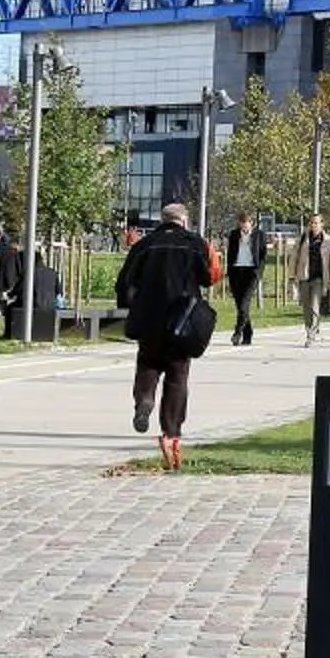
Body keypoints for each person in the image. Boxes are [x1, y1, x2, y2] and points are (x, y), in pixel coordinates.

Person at [115, 201, 219, 472]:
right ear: (184, 221)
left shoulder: (144, 244)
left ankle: (144, 400)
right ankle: (171, 433)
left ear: (163, 220)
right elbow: (208, 277)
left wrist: (132, 304)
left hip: (148, 318)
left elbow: (124, 281)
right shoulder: (194, 243)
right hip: (181, 319)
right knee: (177, 375)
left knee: (148, 363)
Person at [293, 212, 330, 346]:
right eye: (312, 223)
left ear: (322, 224)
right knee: (306, 307)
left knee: (314, 305)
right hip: (304, 277)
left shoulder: (328, 241)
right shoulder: (303, 239)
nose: (314, 225)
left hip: (319, 278)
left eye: (316, 222)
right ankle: (310, 327)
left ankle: (311, 334)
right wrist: (292, 276)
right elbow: (294, 258)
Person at [223, 210, 266, 346]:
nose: (244, 226)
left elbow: (263, 255)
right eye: (241, 223)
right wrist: (228, 271)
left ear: (251, 223)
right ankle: (248, 333)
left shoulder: (259, 235)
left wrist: (259, 272)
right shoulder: (234, 235)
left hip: (251, 272)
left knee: (244, 304)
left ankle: (237, 332)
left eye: (246, 223)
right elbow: (230, 254)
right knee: (240, 305)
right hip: (236, 271)